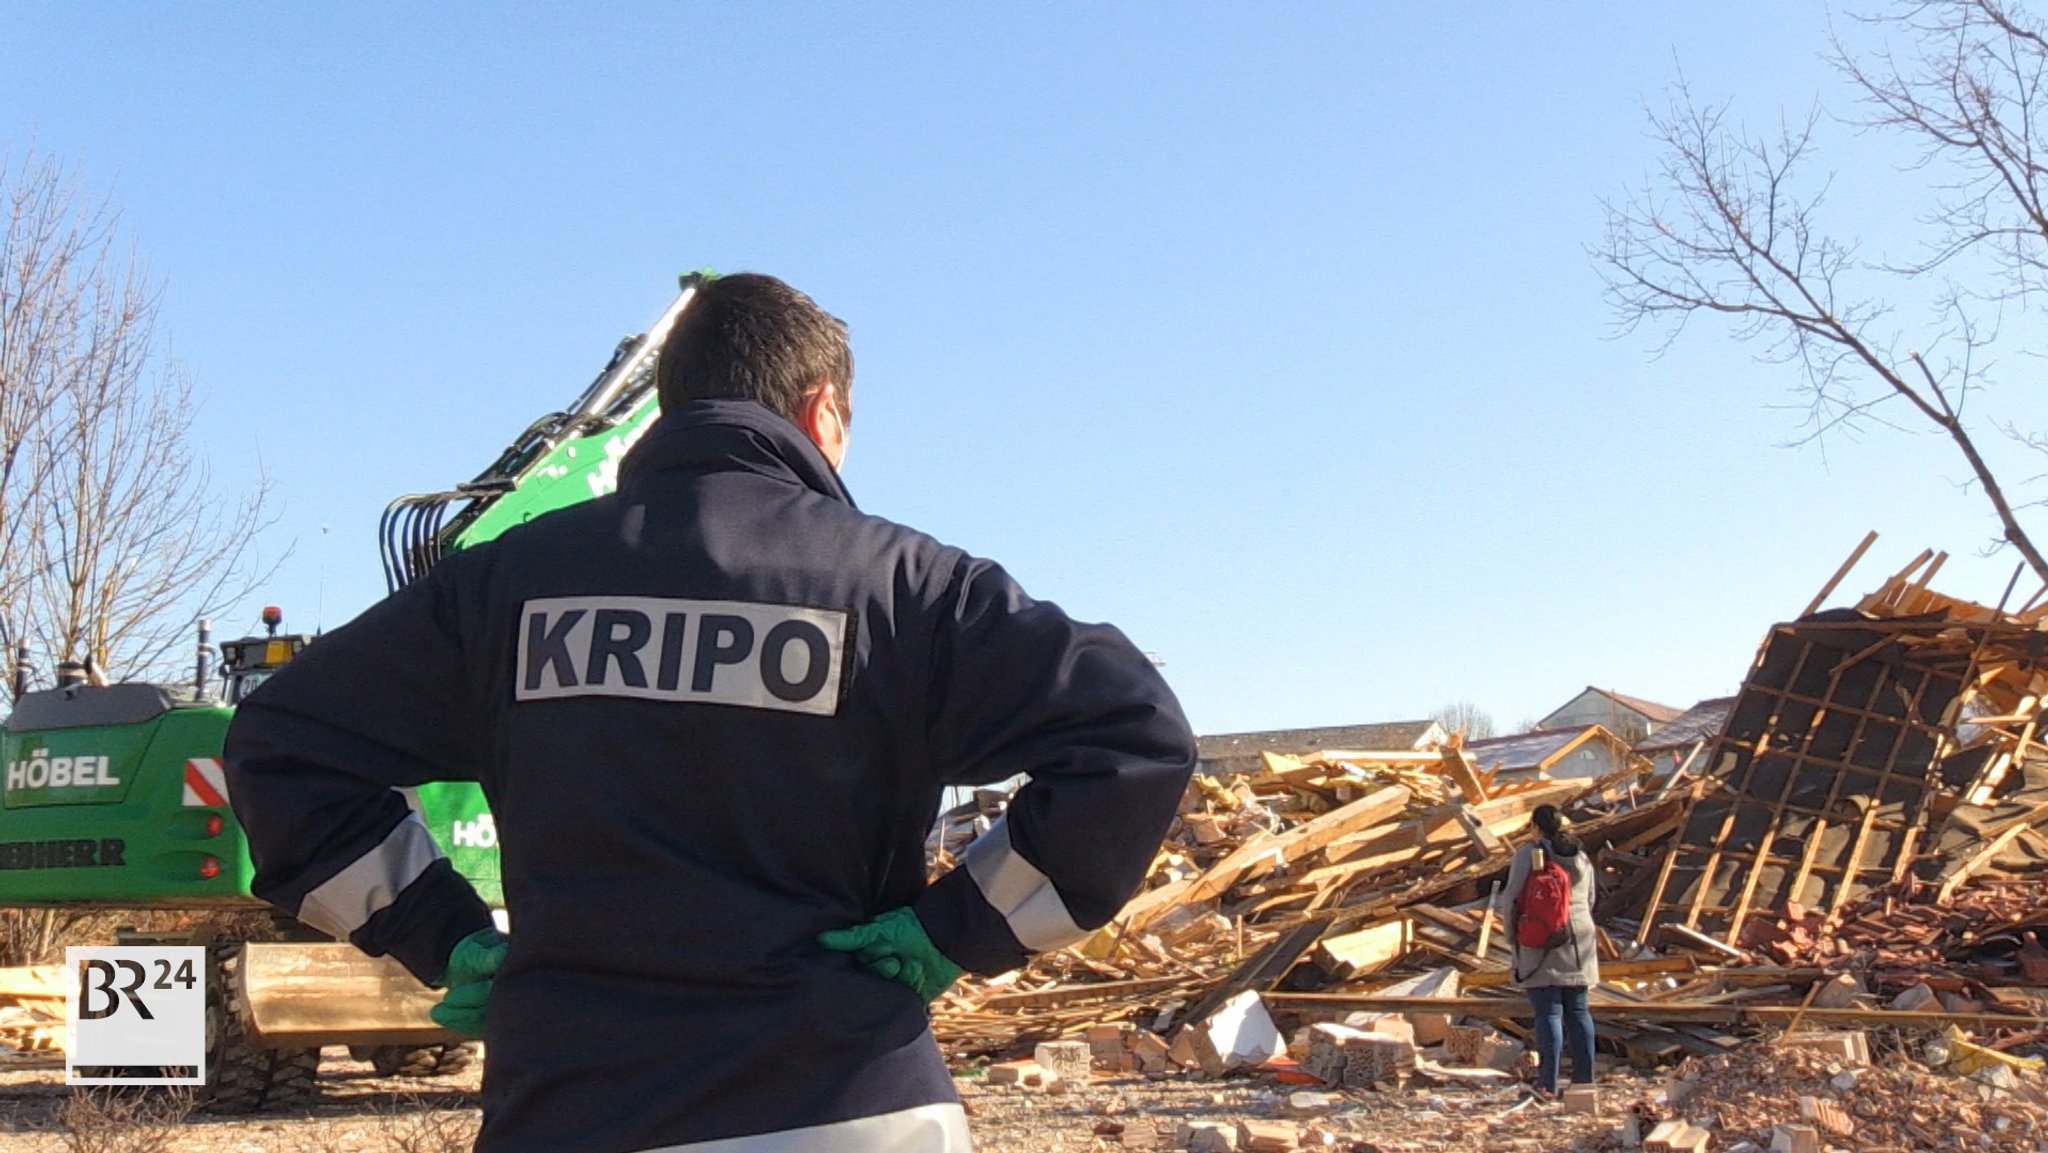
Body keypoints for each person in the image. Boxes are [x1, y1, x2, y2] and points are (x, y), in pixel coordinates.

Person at [222, 272, 1197, 1153]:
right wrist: (958, 929)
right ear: (822, 410)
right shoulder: (906, 586)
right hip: (850, 1107)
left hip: (569, 1110)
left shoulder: (500, 589)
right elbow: (1129, 737)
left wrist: (444, 934)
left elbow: (278, 746)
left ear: (671, 406)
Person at [1502, 803, 1598, 1098]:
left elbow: (1512, 899)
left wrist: (1513, 938)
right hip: (1578, 939)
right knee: (1579, 1011)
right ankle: (1584, 1082)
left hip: (1540, 939)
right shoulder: (1580, 856)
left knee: (1548, 1013)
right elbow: (1591, 898)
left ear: (1536, 827)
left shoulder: (1529, 855)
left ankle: (1547, 1084)